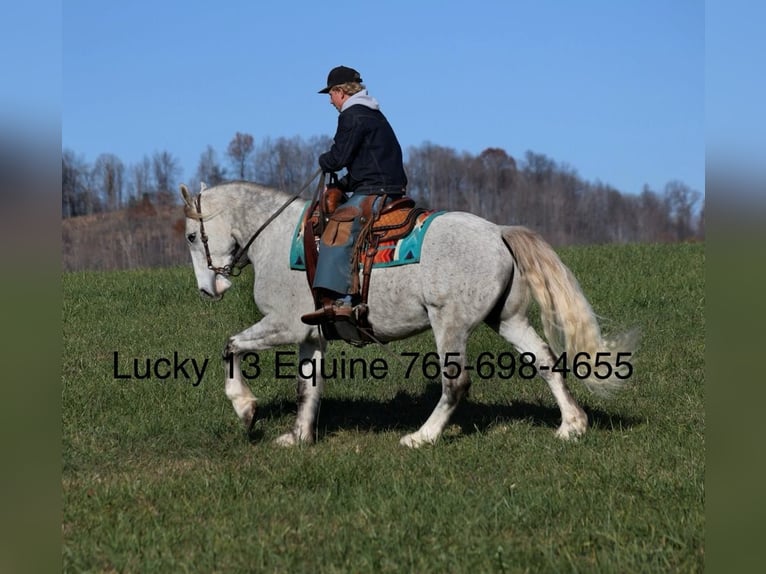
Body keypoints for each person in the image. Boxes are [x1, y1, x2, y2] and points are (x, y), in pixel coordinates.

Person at [301, 66, 408, 326]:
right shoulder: (374, 114)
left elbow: (339, 158)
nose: (329, 101)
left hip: (375, 191)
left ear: (340, 92)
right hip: (385, 186)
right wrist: (344, 184)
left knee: (337, 230)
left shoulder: (352, 115)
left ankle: (342, 301)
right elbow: (366, 164)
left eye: (331, 94)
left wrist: (324, 160)